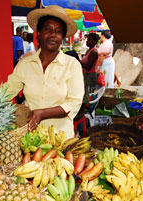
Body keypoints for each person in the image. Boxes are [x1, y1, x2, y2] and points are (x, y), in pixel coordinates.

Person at [5, 5, 84, 139]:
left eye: (58, 31)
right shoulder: (25, 64)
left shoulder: (71, 65)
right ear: (39, 33)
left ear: (62, 37)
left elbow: (74, 103)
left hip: (61, 138)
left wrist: (43, 113)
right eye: (48, 29)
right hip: (30, 138)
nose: (53, 34)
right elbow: (6, 92)